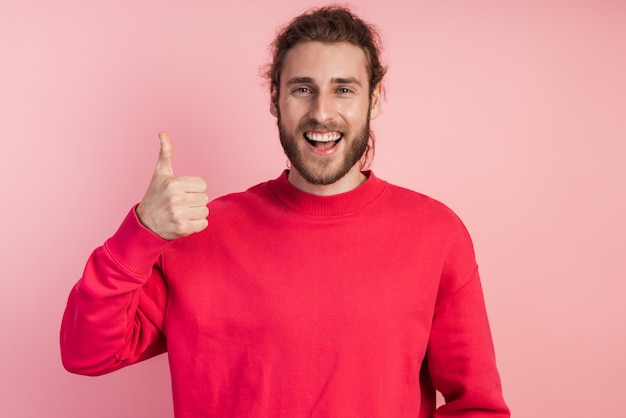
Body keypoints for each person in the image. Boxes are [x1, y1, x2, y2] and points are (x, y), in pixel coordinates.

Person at [60, 6, 510, 417]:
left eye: (344, 90)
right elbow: (87, 353)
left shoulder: (435, 235)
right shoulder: (200, 233)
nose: (322, 112)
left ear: (373, 100)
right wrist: (141, 233)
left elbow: (477, 405)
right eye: (302, 89)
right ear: (275, 99)